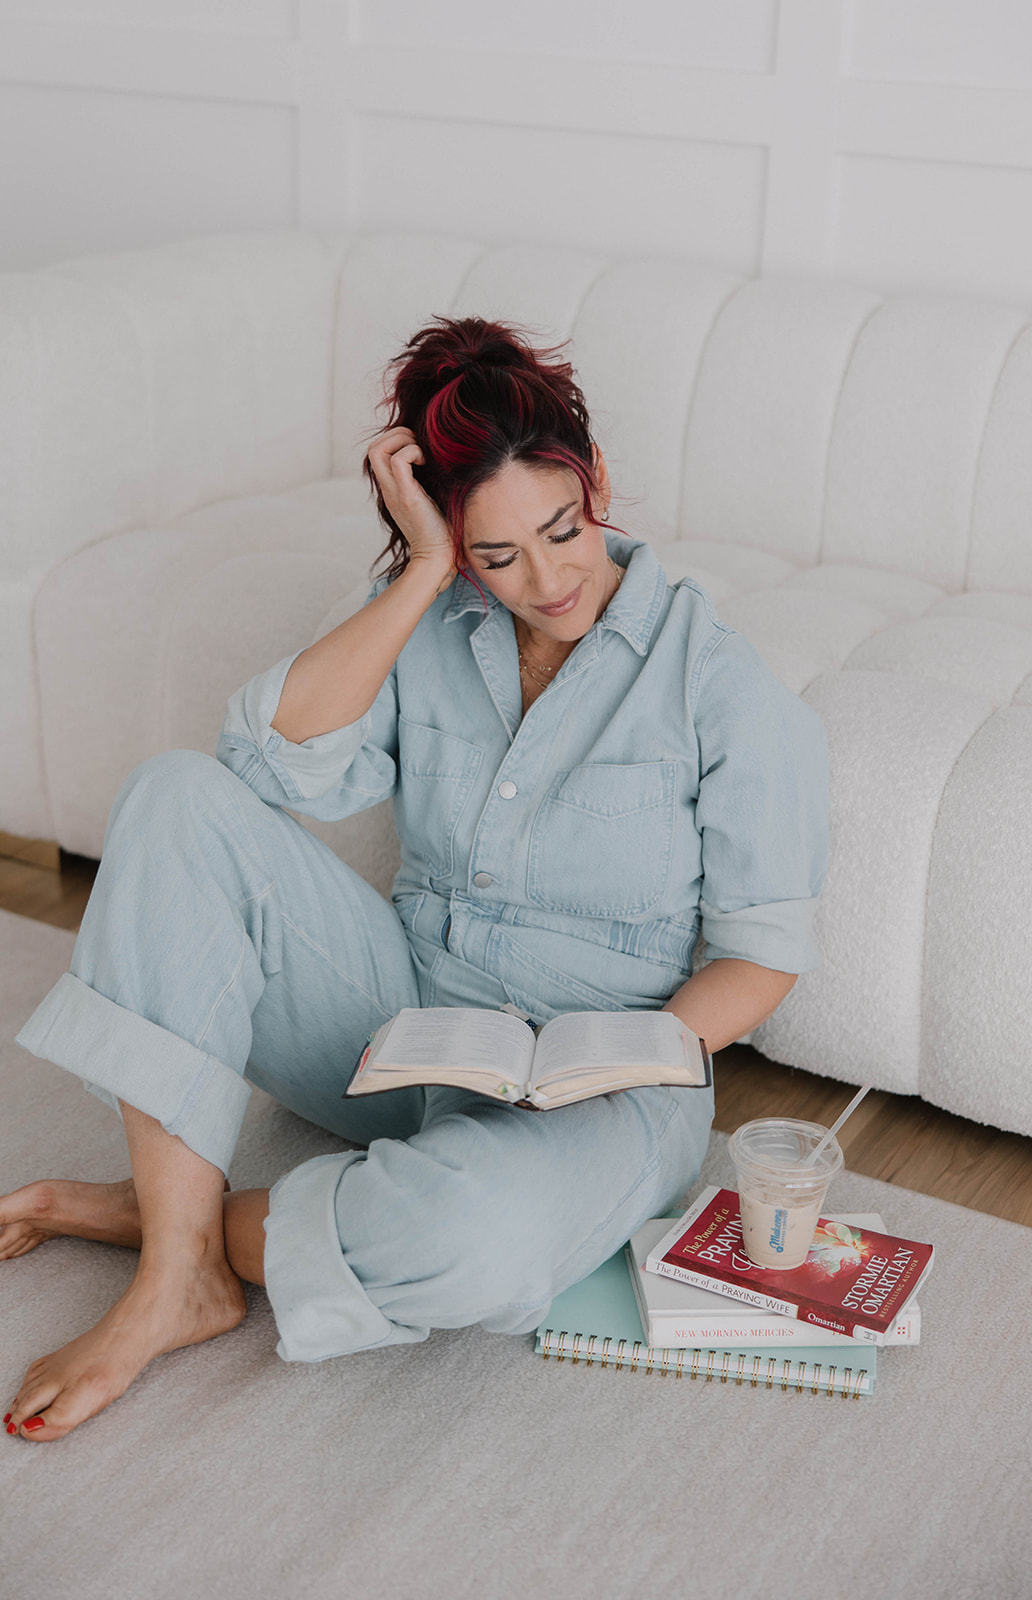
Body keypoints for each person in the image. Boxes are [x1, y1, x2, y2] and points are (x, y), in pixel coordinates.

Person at [2, 316, 828, 1443]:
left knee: (472, 1244)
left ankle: (167, 1214)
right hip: (402, 1023)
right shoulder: (441, 621)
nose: (545, 580)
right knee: (172, 796)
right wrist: (426, 573)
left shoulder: (718, 683)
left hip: (607, 1079)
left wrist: (633, 1056)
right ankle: (178, 1276)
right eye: (497, 555)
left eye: (561, 530)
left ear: (593, 485)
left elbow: (761, 948)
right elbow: (266, 758)